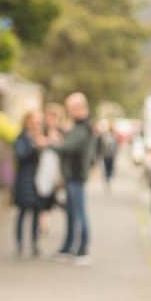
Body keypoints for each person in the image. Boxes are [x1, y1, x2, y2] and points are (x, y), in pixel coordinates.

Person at [51, 92, 95, 265]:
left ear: (78, 108)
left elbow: (69, 147)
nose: (69, 112)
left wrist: (53, 143)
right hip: (72, 177)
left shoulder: (84, 127)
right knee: (71, 213)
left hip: (76, 177)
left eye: (70, 109)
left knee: (79, 213)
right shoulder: (79, 126)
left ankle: (83, 250)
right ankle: (68, 248)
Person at [13, 110, 46, 258]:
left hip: (37, 180)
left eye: (39, 121)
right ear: (27, 121)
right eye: (35, 121)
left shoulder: (40, 137)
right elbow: (21, 155)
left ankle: (34, 244)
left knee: (36, 212)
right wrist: (35, 147)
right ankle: (19, 244)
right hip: (24, 179)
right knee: (22, 212)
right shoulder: (22, 137)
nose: (37, 124)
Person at [97, 120, 119, 191]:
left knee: (110, 168)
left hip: (111, 155)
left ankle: (108, 178)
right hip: (106, 155)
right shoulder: (105, 135)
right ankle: (107, 179)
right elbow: (101, 144)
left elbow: (116, 145)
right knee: (107, 167)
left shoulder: (114, 136)